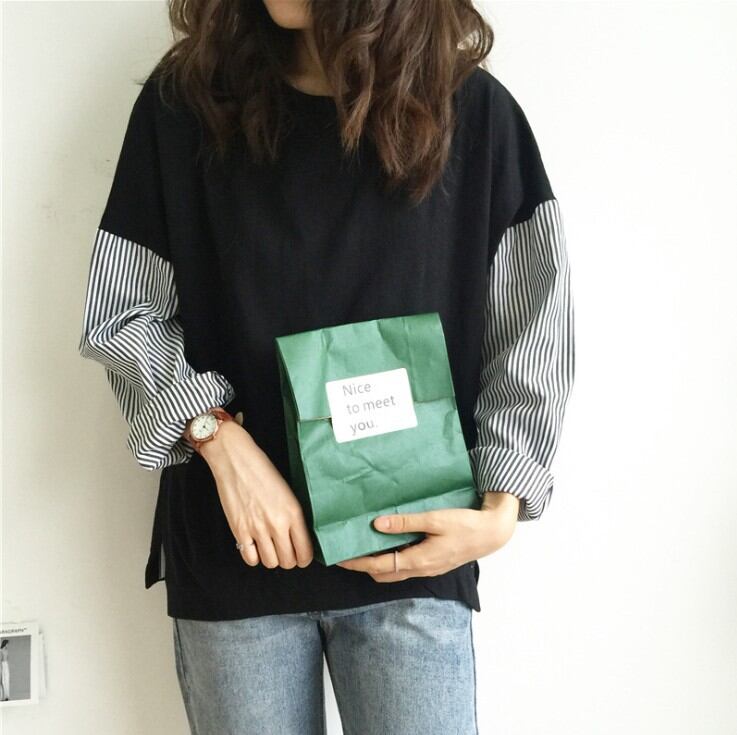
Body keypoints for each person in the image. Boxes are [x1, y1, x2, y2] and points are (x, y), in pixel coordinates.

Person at [77, 0, 575, 732]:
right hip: (237, 554)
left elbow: (534, 317)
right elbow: (121, 310)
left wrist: (501, 510)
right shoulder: (186, 105)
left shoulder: (471, 112)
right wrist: (217, 438)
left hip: (414, 554)